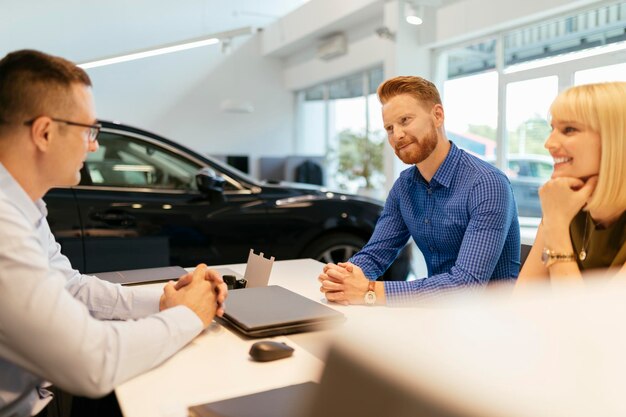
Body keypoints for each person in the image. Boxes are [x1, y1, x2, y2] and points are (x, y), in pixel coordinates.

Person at [0, 50, 228, 417]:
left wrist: (162, 302)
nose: (93, 146)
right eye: (88, 131)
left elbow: (70, 287)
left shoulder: (23, 208)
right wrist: (188, 316)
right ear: (44, 132)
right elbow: (92, 363)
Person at [319, 75, 520, 306]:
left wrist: (369, 291)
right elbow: (375, 254)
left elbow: (466, 285)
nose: (397, 135)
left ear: (437, 115)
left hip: (491, 323)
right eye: (389, 128)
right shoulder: (405, 186)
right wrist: (343, 278)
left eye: (405, 120)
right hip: (436, 315)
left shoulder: (487, 184)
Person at [515, 82, 626, 286]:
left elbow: (594, 318)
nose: (549, 144)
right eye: (553, 129)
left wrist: (555, 226)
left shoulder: (558, 211)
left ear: (616, 140)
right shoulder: (564, 203)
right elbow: (522, 300)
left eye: (569, 130)